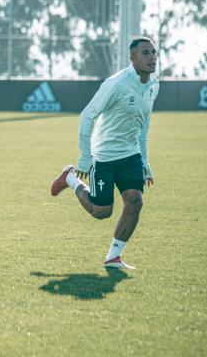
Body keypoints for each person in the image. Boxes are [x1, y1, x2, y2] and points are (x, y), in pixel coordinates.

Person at [50, 37, 159, 270]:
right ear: (132, 58)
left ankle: (113, 257)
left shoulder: (153, 85)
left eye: (154, 52)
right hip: (104, 155)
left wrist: (145, 161)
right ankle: (70, 178)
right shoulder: (117, 83)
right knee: (101, 212)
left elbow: (144, 125)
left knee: (135, 202)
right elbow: (87, 115)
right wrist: (85, 157)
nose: (152, 58)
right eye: (145, 53)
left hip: (130, 155)